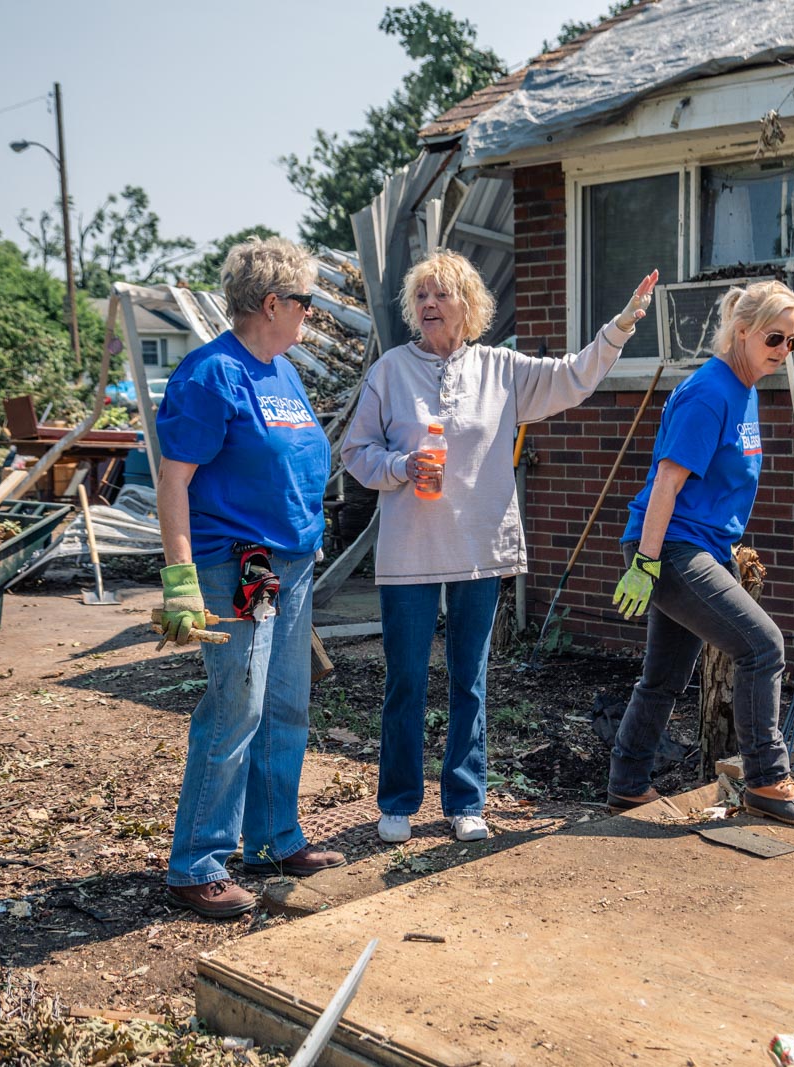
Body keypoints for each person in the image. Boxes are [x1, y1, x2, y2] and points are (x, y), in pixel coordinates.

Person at [343, 249, 658, 844]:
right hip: (410, 551)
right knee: (406, 680)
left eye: (441, 295)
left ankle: (465, 800)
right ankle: (399, 802)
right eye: (421, 297)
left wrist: (620, 326)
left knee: (470, 679)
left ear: (469, 306)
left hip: (478, 547)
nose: (429, 305)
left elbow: (574, 376)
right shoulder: (389, 371)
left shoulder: (501, 369)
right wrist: (399, 465)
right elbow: (355, 453)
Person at [154, 236, 345, 920]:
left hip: (290, 566)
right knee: (236, 707)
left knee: (285, 704)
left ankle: (271, 839)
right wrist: (179, 576)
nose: (311, 316)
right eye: (306, 304)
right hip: (238, 563)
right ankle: (195, 865)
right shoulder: (212, 374)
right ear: (273, 303)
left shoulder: (280, 371)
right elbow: (173, 480)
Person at [606, 279, 794, 826]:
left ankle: (628, 782)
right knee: (763, 646)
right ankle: (767, 779)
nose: (783, 351)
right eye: (774, 339)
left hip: (697, 545)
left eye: (791, 342)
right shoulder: (711, 392)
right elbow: (666, 481)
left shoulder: (744, 387)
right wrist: (646, 562)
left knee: (664, 676)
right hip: (671, 547)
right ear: (742, 332)